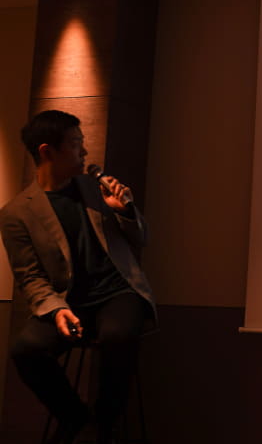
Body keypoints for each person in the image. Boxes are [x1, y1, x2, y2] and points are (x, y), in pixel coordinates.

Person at [0, 110, 156, 444]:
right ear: (46, 151)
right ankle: (75, 418)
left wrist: (125, 210)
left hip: (118, 291)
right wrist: (56, 309)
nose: (84, 153)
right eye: (75, 144)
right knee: (25, 350)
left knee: (118, 335)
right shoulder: (16, 214)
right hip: (67, 300)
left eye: (82, 143)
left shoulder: (95, 188)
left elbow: (141, 238)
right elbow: (30, 278)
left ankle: (105, 425)